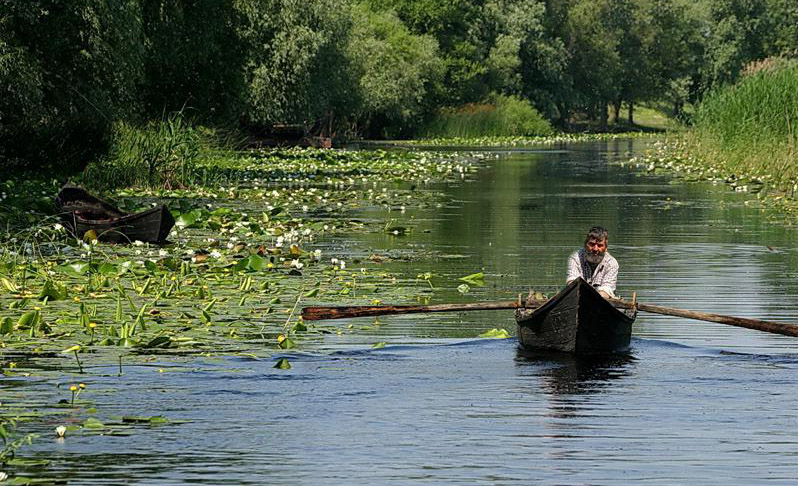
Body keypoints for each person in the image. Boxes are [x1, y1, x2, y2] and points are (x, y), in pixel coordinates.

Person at [566, 226, 618, 299]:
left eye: (600, 245)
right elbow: (572, 283)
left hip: (600, 300)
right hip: (577, 295)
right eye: (592, 244)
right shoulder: (575, 258)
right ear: (585, 244)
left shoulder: (612, 263)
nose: (595, 249)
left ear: (606, 248)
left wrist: (590, 299)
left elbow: (606, 290)